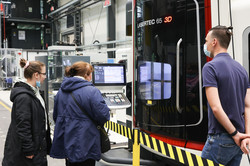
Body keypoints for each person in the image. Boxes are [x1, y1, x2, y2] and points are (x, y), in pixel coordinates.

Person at [201, 25, 250, 165]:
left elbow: (216, 107)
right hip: (239, 142)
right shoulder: (241, 69)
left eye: (206, 41)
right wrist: (246, 135)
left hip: (221, 138)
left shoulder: (210, 67)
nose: (205, 44)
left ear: (214, 42)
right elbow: (248, 106)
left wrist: (234, 134)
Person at [50, 61, 110, 166]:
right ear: (86, 74)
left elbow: (56, 116)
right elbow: (104, 115)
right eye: (91, 73)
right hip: (86, 140)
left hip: (67, 140)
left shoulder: (61, 91)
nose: (92, 76)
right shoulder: (92, 91)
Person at [2, 58, 51, 166]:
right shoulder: (24, 97)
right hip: (26, 155)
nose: (45, 77)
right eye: (44, 74)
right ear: (36, 75)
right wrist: (28, 150)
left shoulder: (35, 93)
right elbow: (23, 125)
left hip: (36, 149)